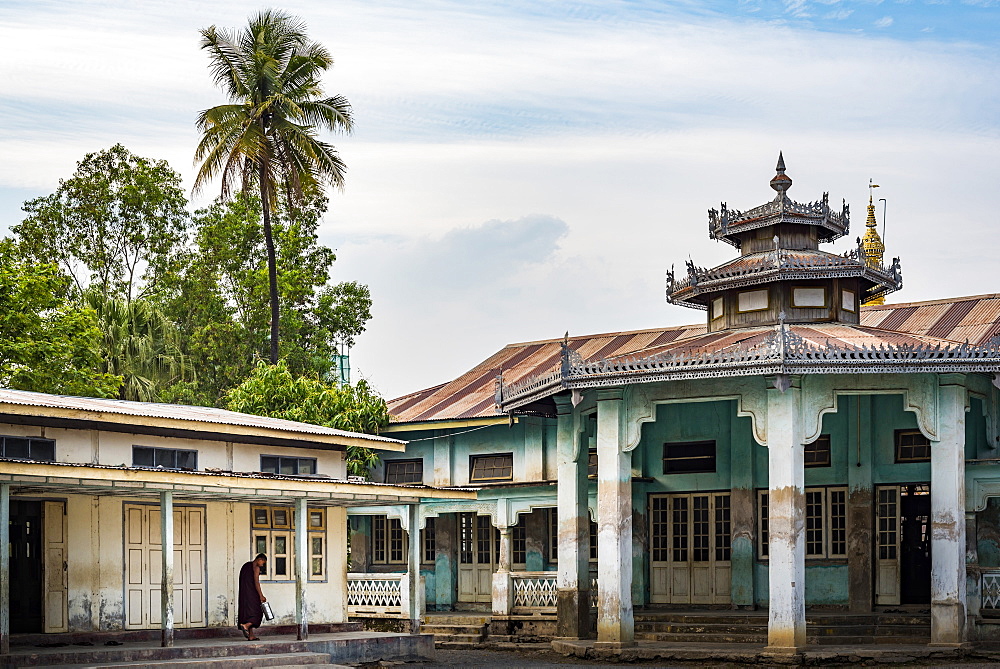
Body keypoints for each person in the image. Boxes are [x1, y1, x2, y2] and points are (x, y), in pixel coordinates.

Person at [238, 553, 267, 640]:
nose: (262, 565)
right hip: (252, 593)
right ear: (259, 559)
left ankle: (251, 635)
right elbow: (256, 582)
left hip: (244, 594)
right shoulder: (256, 568)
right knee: (258, 612)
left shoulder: (246, 565)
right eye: (263, 562)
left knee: (248, 613)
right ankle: (246, 625)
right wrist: (261, 595)